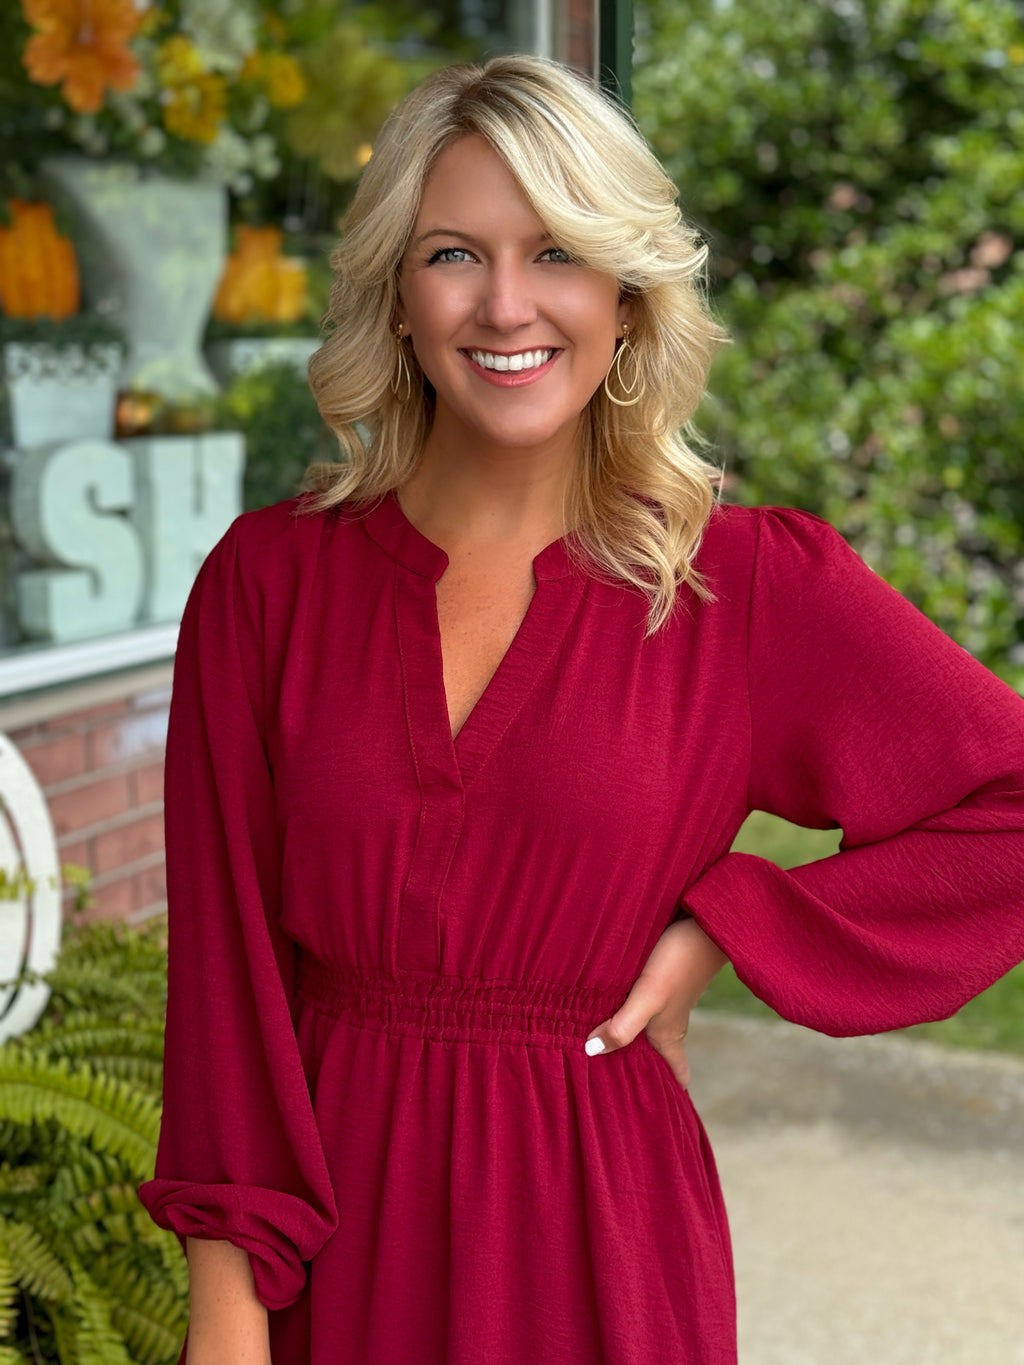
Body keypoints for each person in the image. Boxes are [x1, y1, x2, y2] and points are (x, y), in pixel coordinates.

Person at [139, 54, 1024, 1365]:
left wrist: (728, 922)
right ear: (396, 290)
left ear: (625, 291)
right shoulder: (266, 588)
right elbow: (227, 994)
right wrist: (228, 1317)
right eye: (454, 252)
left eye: (556, 249)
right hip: (337, 1242)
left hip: (602, 1245)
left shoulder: (742, 585)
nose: (507, 303)